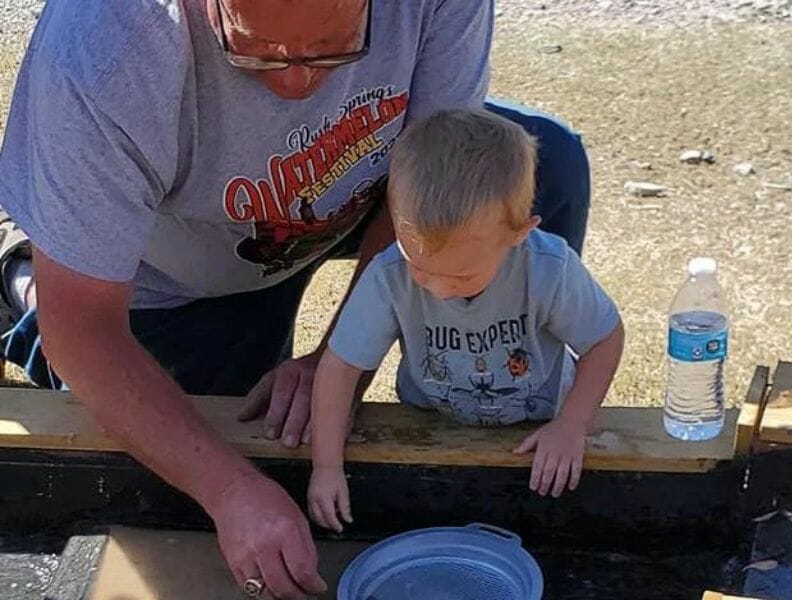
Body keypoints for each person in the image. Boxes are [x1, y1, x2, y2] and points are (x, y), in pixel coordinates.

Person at [0, 1, 591, 598]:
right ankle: (26, 280)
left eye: (333, 50)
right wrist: (230, 490)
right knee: (190, 489)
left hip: (350, 190)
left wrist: (343, 357)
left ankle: (499, 380)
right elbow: (82, 330)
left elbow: (432, 165)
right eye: (255, 52)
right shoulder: (103, 46)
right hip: (182, 275)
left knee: (544, 166)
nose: (294, 86)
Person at [307, 109, 624, 534]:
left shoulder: (549, 268)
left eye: (462, 275)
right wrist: (326, 467)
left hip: (538, 427)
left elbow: (603, 339)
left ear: (519, 233)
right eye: (419, 266)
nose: (436, 289)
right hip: (430, 422)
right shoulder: (388, 275)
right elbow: (339, 367)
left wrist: (571, 424)